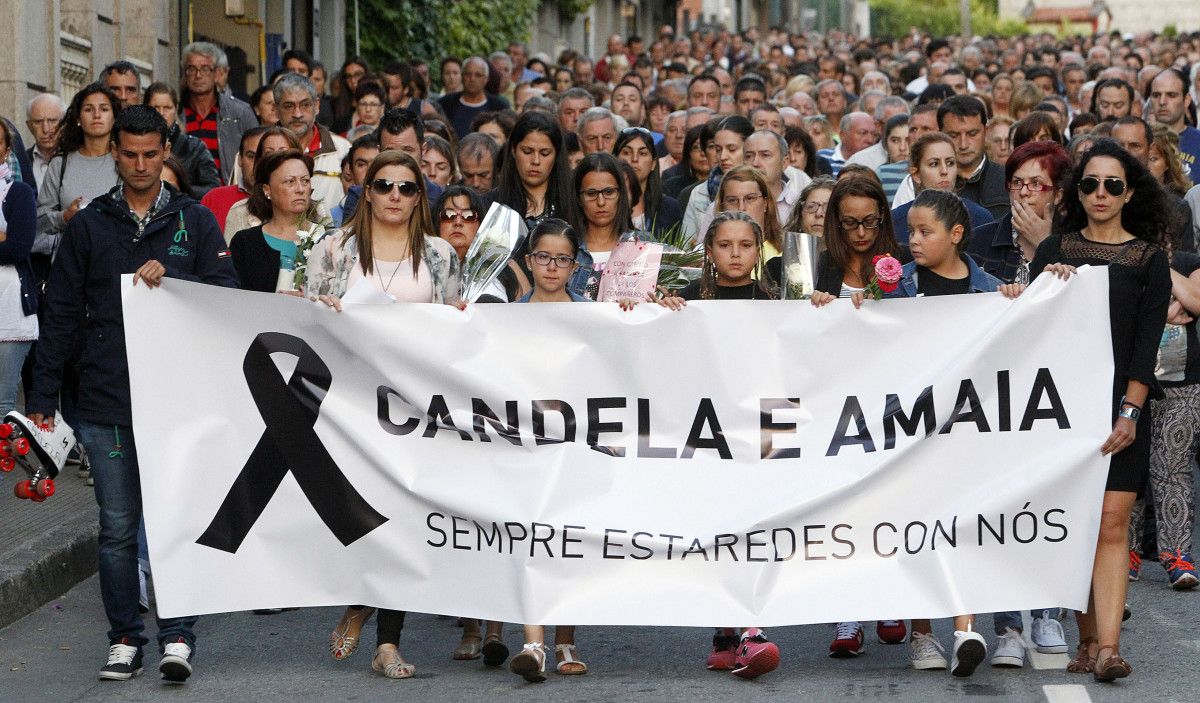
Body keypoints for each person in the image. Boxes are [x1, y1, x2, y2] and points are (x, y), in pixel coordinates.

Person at [28, 104, 237, 684]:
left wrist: (177, 280)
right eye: (131, 154)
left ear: (165, 151)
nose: (142, 164)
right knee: (118, 527)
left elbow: (228, 296)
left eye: (152, 153)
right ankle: (124, 637)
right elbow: (61, 314)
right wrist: (43, 400)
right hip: (105, 402)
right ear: (114, 154)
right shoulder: (90, 225)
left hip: (178, 403)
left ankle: (178, 636)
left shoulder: (195, 223)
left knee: (174, 522)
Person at [1027, 138, 1173, 683]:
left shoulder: (1148, 260)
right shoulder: (1055, 252)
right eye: (1090, 183)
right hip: (1062, 410)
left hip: (1122, 407)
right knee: (1081, 527)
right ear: (1077, 191)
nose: (1101, 193)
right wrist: (1047, 288)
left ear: (1130, 192)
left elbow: (1146, 342)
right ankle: (1086, 640)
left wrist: (1130, 412)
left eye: (1113, 184)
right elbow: (1026, 331)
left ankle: (1108, 648)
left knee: (1112, 522)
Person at [504, 220, 589, 684]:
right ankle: (533, 642)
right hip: (526, 445)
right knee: (530, 536)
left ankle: (565, 639)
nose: (552, 267)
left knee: (571, 539)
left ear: (574, 266)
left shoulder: (592, 316)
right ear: (529, 260)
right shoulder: (506, 317)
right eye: (543, 257)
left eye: (562, 259)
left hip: (577, 445)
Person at [1125, 242, 1200, 590]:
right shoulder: (1123, 257)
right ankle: (1126, 552)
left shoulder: (1188, 262)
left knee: (1173, 468)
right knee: (1129, 467)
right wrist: (1164, 305)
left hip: (1183, 384)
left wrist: (1161, 270)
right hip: (1128, 380)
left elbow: (1197, 300)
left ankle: (1177, 556)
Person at [35, 84, 121, 259]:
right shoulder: (61, 163)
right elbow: (38, 222)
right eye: (89, 109)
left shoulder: (126, 161)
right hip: (69, 264)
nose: (97, 115)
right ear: (78, 118)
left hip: (115, 261)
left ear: (114, 117)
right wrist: (65, 217)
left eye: (104, 109)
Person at [969, 140, 1072, 285]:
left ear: (1057, 195)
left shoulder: (1075, 241)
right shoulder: (978, 240)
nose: (1023, 192)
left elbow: (1073, 298)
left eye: (1035, 183)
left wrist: (1044, 245)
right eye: (1017, 183)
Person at [229, 149, 320, 293]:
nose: (300, 189)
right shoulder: (245, 243)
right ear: (267, 190)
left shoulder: (326, 239)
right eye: (290, 182)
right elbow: (234, 297)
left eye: (305, 181)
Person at [810, 173, 907, 305]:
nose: (861, 233)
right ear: (837, 220)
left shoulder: (906, 260)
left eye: (870, 221)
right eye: (850, 223)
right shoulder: (820, 265)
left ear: (882, 215)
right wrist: (817, 304)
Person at [891, 133, 994, 244]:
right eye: (934, 164)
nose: (944, 171)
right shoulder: (895, 221)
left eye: (950, 163)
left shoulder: (980, 218)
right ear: (916, 175)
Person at [567, 152, 643, 298]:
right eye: (591, 193)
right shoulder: (564, 248)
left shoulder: (643, 244)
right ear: (578, 199)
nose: (601, 202)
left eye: (609, 192)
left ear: (621, 194)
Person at [0, 119, 38, 415]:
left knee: (3, 405)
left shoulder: (20, 193)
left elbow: (18, 247)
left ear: (6, 151)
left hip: (10, 310)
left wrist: (8, 239)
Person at [180, 42, 258, 184]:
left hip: (228, 198)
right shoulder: (176, 113)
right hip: (186, 198)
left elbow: (258, 157)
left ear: (216, 73)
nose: (198, 75)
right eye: (191, 69)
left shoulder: (241, 112)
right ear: (185, 73)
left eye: (205, 69)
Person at [274, 72, 350, 216]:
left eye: (305, 105)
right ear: (276, 110)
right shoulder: (259, 150)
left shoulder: (343, 150)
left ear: (317, 106)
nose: (297, 114)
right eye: (289, 106)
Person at [433, 184, 526, 302]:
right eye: (448, 215)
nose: (458, 222)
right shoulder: (421, 266)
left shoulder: (503, 266)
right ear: (437, 222)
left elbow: (526, 311)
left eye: (468, 216)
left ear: (481, 224)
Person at [681, 115, 753, 241]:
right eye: (718, 150)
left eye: (732, 149)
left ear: (749, 149)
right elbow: (688, 248)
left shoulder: (769, 186)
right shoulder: (699, 194)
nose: (723, 156)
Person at [223, 127, 302, 241]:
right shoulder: (239, 213)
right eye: (269, 153)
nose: (275, 159)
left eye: (283, 152)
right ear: (259, 162)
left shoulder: (317, 212)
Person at [937, 96, 1009, 220]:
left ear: (986, 131)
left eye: (972, 134)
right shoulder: (923, 180)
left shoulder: (1009, 180)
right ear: (940, 135)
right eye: (953, 135)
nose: (963, 144)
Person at [143, 83, 221, 198]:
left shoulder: (195, 148)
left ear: (176, 109)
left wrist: (178, 189)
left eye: (167, 108)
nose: (161, 113)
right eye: (156, 108)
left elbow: (213, 188)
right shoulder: (135, 145)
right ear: (145, 109)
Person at [613, 127, 681, 236]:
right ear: (615, 160)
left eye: (643, 153)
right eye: (626, 152)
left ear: (653, 164)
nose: (634, 159)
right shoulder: (605, 203)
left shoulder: (669, 208)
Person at [200, 126, 268, 233]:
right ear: (240, 159)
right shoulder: (213, 199)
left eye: (264, 156)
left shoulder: (286, 201)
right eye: (251, 156)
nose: (257, 164)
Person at [1147, 68, 1199, 185]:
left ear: (1186, 100)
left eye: (1171, 95)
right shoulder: (1139, 140)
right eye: (1156, 95)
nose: (1162, 101)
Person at [439, 57, 511, 140]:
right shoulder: (445, 103)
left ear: (486, 79)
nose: (472, 79)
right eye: (468, 74)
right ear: (462, 76)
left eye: (478, 75)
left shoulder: (499, 106)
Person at [25, 93, 67, 190]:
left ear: (64, 123)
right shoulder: (21, 161)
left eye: (52, 121)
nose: (45, 129)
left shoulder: (75, 158)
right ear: (29, 126)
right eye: (38, 122)